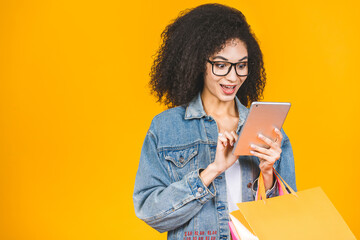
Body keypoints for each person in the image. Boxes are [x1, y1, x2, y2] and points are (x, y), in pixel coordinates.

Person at [133, 3, 296, 240]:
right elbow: (150, 211)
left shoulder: (267, 126)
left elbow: (287, 219)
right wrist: (212, 171)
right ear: (199, 63)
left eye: (241, 66)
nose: (233, 77)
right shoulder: (166, 128)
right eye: (221, 65)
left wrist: (268, 175)